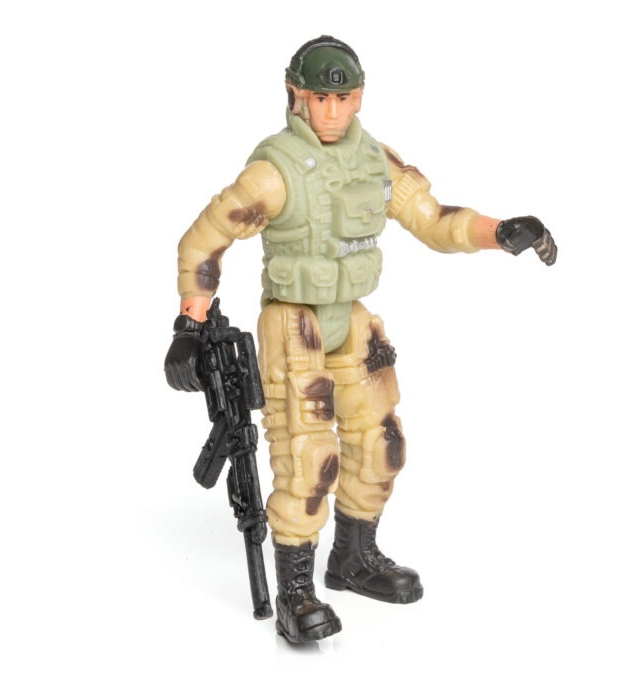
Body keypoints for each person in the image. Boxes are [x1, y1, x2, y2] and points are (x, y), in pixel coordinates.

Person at [165, 35, 556, 643]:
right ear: (296, 95)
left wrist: (501, 231)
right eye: (320, 98)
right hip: (294, 321)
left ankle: (353, 557)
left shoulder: (375, 162)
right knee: (308, 458)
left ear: (359, 97)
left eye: (343, 98)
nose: (332, 111)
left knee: (382, 445)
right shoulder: (273, 172)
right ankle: (296, 592)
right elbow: (203, 240)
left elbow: (434, 221)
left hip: (350, 316)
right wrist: (190, 326)